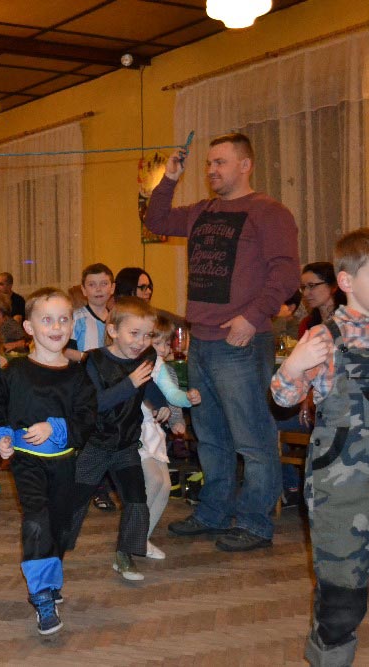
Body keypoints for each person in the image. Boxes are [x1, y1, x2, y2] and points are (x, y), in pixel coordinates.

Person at [145, 132, 300, 552]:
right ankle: (213, 512)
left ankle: (254, 523)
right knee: (211, 437)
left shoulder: (268, 211)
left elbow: (286, 273)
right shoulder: (202, 211)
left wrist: (252, 317)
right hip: (202, 341)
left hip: (241, 344)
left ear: (245, 165)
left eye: (220, 162)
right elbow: (156, 221)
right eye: (209, 163)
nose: (211, 170)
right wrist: (169, 178)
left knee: (253, 438)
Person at [270, 229, 369, 667]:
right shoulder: (325, 338)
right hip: (342, 488)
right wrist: (293, 366)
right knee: (343, 592)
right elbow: (282, 398)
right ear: (346, 282)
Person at [0, 288, 96, 635]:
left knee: (59, 526)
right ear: (29, 328)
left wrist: (56, 427)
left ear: (72, 326)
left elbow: (87, 419)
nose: (56, 327)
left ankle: (50, 575)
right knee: (36, 521)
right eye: (47, 320)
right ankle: (42, 593)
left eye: (63, 319)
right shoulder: (14, 371)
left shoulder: (79, 375)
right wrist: (2, 435)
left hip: (65, 464)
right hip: (28, 463)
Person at [68, 297, 168, 581]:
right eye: (134, 333)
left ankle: (125, 555)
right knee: (75, 500)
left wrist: (162, 405)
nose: (141, 342)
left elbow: (148, 388)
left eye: (147, 335)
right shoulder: (94, 361)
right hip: (96, 445)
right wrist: (129, 384)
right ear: (113, 330)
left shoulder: (144, 359)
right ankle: (54, 549)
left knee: (137, 501)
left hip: (126, 446)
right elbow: (94, 404)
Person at [140, 315, 202, 560]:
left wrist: (187, 399)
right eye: (158, 343)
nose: (164, 349)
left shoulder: (164, 370)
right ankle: (132, 535)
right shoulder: (135, 366)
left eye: (167, 344)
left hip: (154, 432)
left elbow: (172, 395)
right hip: (135, 431)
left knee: (165, 487)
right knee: (154, 481)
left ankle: (142, 538)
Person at [66, 263, 117, 512]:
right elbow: (64, 350)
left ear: (112, 288)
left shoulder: (118, 319)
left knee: (109, 434)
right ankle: (93, 488)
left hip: (113, 388)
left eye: (104, 284)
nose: (98, 289)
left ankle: (102, 484)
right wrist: (90, 359)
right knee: (88, 437)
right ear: (84, 289)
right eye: (92, 285)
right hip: (84, 387)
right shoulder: (76, 318)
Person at [298, 262, 344, 337]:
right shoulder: (306, 324)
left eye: (311, 285)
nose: (305, 293)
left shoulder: (349, 321)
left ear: (333, 286)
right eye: (303, 287)